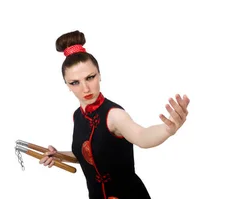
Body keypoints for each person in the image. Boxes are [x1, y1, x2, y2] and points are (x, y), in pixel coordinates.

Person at [38, 30, 190, 199]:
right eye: (75, 82)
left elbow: (142, 136)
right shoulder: (77, 116)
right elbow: (88, 154)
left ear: (100, 75)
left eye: (90, 77)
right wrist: (58, 155)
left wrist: (167, 130)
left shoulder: (114, 115)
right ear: (66, 84)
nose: (85, 88)